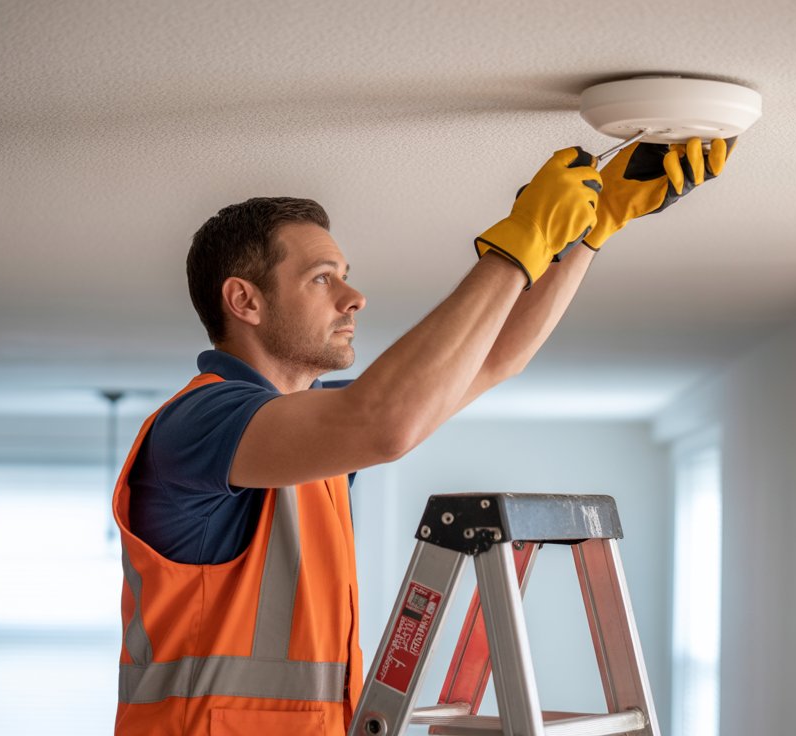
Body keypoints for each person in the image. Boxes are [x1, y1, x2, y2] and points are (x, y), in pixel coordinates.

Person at [111, 138, 733, 735]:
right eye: (323, 278)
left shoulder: (311, 437)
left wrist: (591, 230)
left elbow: (492, 358)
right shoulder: (202, 422)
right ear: (244, 300)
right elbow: (384, 423)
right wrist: (519, 242)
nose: (354, 298)